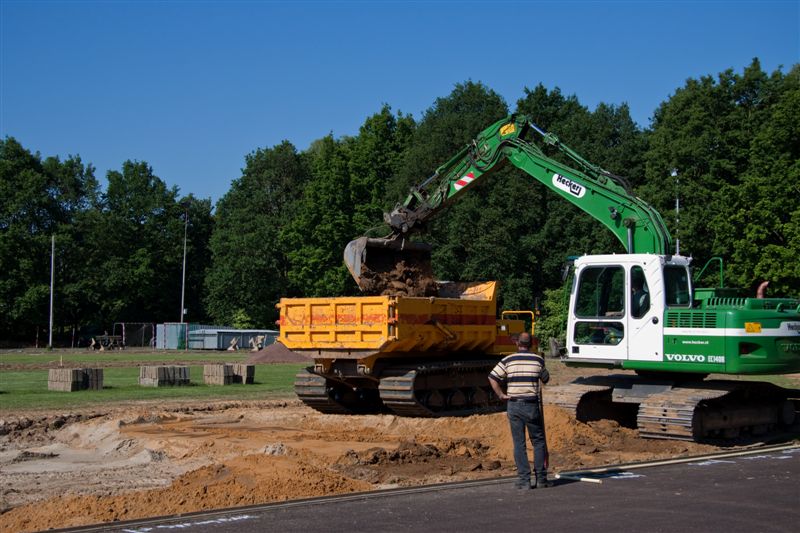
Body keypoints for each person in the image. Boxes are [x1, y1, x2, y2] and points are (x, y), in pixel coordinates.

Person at [488, 332, 551, 490]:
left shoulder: (508, 360)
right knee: (538, 441)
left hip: (514, 405)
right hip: (531, 405)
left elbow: (492, 377)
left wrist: (501, 395)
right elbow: (546, 379)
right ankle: (541, 479)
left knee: (519, 443)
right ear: (531, 344)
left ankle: (524, 480)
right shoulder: (538, 359)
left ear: (517, 344)